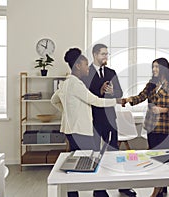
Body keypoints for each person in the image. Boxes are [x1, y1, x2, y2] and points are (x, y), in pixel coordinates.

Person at [51, 48, 121, 197]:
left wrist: (66, 112)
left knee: (73, 163)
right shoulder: (76, 84)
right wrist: (117, 101)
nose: (87, 67)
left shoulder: (65, 83)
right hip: (81, 130)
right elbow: (95, 100)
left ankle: (74, 194)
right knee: (93, 161)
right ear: (78, 66)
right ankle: (100, 193)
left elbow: (54, 100)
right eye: (85, 64)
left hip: (70, 130)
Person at [81, 44, 136, 197]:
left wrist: (113, 92)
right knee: (96, 154)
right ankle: (99, 189)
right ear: (94, 54)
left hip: (110, 119)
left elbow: (119, 92)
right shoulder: (86, 72)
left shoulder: (111, 72)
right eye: (103, 54)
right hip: (93, 119)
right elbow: (85, 95)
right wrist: (99, 92)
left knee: (114, 153)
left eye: (107, 54)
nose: (106, 57)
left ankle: (122, 186)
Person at [123, 58, 169, 197]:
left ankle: (157, 191)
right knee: (154, 158)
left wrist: (164, 110)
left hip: (164, 128)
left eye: (157, 67)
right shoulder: (152, 84)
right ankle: (162, 189)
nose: (154, 69)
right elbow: (141, 97)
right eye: (153, 67)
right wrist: (128, 99)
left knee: (161, 159)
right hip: (151, 127)